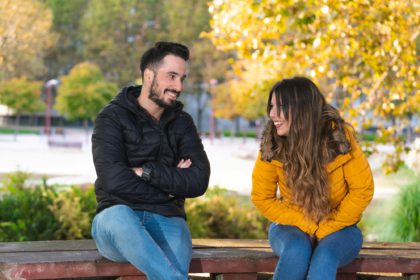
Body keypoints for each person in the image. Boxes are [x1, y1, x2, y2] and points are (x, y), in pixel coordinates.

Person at [91, 42, 210, 280]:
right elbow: (114, 181)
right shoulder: (111, 118)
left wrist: (146, 172)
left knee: (169, 271)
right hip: (117, 226)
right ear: (148, 75)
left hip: (167, 219)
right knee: (119, 215)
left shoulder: (182, 123)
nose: (178, 86)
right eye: (172, 76)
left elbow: (198, 181)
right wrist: (170, 187)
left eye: (182, 78)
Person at [251, 77, 374, 280]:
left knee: (325, 256)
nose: (272, 114)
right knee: (297, 250)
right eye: (271, 106)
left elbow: (362, 190)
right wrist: (308, 226)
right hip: (290, 225)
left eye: (280, 106)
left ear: (302, 109)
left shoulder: (340, 139)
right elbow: (261, 197)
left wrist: (325, 229)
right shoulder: (272, 144)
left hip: (341, 227)